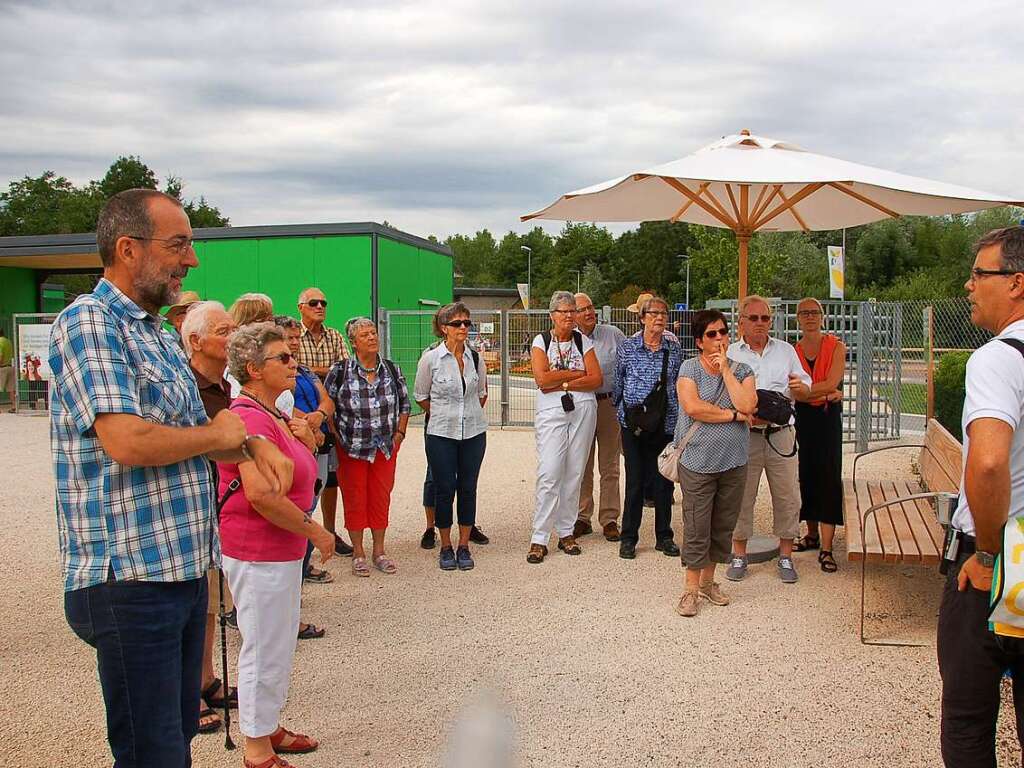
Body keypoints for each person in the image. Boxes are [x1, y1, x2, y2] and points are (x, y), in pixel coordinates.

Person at [49, 189, 291, 768]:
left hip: (180, 569)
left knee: (175, 734)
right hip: (129, 578)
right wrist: (230, 436)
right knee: (151, 750)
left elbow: (201, 429)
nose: (192, 259)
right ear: (128, 249)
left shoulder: (157, 333)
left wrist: (253, 443)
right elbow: (128, 440)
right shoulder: (88, 321)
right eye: (178, 243)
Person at [217, 322, 336, 768]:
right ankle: (255, 746)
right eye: (283, 358)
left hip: (278, 552)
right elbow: (262, 494)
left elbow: (299, 465)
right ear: (252, 368)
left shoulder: (270, 413)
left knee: (278, 643)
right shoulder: (248, 418)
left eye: (292, 355)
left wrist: (307, 438)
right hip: (259, 549)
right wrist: (315, 530)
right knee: (264, 646)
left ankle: (265, 724)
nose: (294, 363)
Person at [938, 225, 1024, 767]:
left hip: (996, 563)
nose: (969, 285)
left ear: (1016, 283)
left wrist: (987, 553)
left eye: (978, 273)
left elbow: (990, 459)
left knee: (969, 722)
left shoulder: (995, 359)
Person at [674, 310, 757, 617]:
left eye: (723, 332)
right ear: (699, 341)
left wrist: (725, 373)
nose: (719, 338)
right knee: (697, 525)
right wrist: (734, 416)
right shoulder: (688, 369)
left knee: (722, 525)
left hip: (733, 462)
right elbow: (694, 408)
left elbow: (749, 404)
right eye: (711, 334)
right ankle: (690, 590)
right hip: (697, 461)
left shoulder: (743, 370)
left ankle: (709, 584)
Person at [726, 295, 812, 584]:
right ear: (741, 322)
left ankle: (786, 556)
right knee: (741, 495)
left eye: (765, 318)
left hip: (781, 435)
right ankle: (739, 554)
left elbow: (805, 385)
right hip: (744, 436)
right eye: (754, 318)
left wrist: (800, 386)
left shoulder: (786, 351)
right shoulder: (731, 353)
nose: (760, 323)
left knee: (787, 495)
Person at [182, 300, 239, 734]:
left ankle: (204, 679)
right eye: (223, 331)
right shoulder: (187, 386)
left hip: (217, 506)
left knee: (209, 600)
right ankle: (188, 691)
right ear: (195, 341)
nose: (232, 337)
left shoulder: (226, 386)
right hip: (191, 504)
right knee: (189, 601)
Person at [325, 317, 411, 576]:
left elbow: (405, 404)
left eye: (373, 332)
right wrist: (336, 436)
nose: (372, 337)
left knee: (380, 498)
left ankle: (379, 551)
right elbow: (327, 406)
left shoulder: (392, 369)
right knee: (354, 498)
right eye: (365, 335)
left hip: (385, 447)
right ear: (353, 342)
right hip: (351, 448)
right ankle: (358, 552)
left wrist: (400, 433)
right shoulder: (340, 371)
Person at [527, 291, 602, 564]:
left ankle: (566, 531)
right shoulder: (541, 341)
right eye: (563, 312)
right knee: (550, 471)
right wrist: (576, 374)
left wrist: (563, 381)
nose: (569, 316)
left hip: (583, 409)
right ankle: (539, 536)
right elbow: (542, 379)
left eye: (572, 311)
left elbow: (596, 378)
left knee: (575, 471)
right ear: (552, 315)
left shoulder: (584, 341)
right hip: (551, 410)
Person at [414, 302, 489, 570]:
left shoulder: (475, 358)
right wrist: (445, 413)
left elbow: (482, 392)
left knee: (468, 488)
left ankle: (464, 545)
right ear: (444, 328)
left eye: (467, 323)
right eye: (457, 324)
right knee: (444, 489)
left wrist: (466, 414)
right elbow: (421, 395)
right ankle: (445, 545)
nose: (463, 328)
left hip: (473, 433)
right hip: (441, 433)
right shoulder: (431, 359)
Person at [613, 295, 683, 559]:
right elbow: (618, 380)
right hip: (633, 424)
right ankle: (629, 537)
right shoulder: (628, 347)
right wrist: (622, 409)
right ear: (641, 318)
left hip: (665, 424)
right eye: (653, 313)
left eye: (663, 314)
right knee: (635, 481)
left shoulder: (673, 348)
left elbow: (678, 382)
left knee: (663, 481)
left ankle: (664, 536)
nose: (659, 318)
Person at [274, 315, 336, 587]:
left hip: (316, 441)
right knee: (296, 505)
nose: (295, 344)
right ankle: (293, 572)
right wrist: (308, 423)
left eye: (297, 338)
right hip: (294, 442)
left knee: (310, 502)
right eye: (289, 339)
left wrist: (320, 415)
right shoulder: (275, 373)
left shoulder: (305, 371)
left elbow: (326, 398)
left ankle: (303, 565)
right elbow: (277, 406)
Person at [297, 286, 353, 557]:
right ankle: (302, 537)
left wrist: (310, 372)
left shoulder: (334, 336)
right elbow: (291, 372)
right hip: (299, 418)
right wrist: (322, 372)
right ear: (301, 307)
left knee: (331, 479)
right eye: (313, 303)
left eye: (323, 302)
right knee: (302, 480)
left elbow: (344, 370)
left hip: (330, 417)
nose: (320, 307)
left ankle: (329, 532)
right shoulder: (293, 335)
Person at [792, 297, 846, 574]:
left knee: (828, 475)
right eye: (805, 313)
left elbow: (832, 382)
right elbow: (791, 387)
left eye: (814, 312)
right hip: (803, 418)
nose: (810, 317)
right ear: (797, 318)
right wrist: (822, 390)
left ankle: (827, 547)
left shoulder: (836, 346)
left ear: (822, 316)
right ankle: (810, 534)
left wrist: (809, 391)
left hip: (826, 418)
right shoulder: (794, 350)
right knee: (806, 473)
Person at [573, 292, 626, 541]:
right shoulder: (569, 340)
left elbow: (629, 363)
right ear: (573, 315)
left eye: (590, 307)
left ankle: (609, 519)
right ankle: (582, 517)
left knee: (610, 464)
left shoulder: (613, 334)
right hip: (581, 405)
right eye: (582, 309)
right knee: (582, 463)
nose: (588, 312)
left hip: (608, 405)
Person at [0, 323, 15, 412]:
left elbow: (0, 356)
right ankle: (14, 406)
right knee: (11, 389)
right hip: (10, 366)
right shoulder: (8, 341)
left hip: (2, 368)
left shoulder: (0, 342)